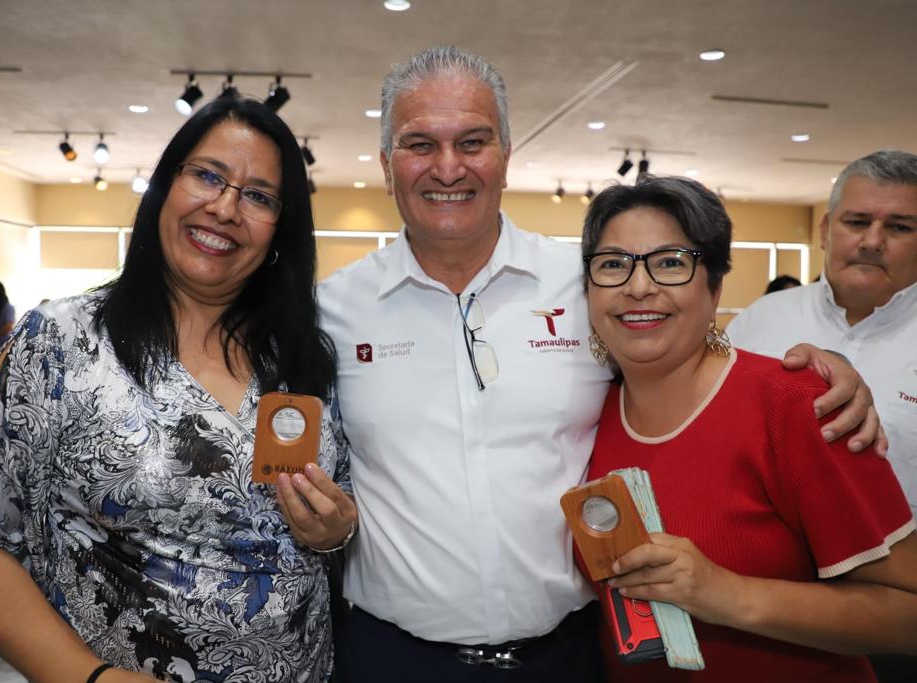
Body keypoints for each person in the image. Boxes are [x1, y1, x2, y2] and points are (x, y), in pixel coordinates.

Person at [317, 45, 883, 682]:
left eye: (473, 141)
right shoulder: (331, 311)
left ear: (506, 155)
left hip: (574, 654)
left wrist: (824, 363)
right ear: (387, 165)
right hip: (391, 657)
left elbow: (683, 352)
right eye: (420, 144)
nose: (449, 167)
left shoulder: (589, 283)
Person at [0, 95, 357, 683]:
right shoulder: (61, 342)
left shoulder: (303, 356)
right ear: (163, 189)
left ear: (281, 230)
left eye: (258, 196)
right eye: (207, 175)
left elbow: (331, 522)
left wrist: (335, 533)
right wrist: (87, 678)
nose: (225, 207)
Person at [580, 175, 917, 682]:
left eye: (671, 262)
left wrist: (726, 593)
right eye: (613, 264)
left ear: (715, 287)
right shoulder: (582, 411)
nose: (639, 286)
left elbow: (907, 614)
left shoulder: (798, 404)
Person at [727, 149, 917, 682]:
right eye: (858, 222)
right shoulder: (760, 323)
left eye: (899, 226)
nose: (873, 240)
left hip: (893, 621)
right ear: (828, 228)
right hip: (757, 606)